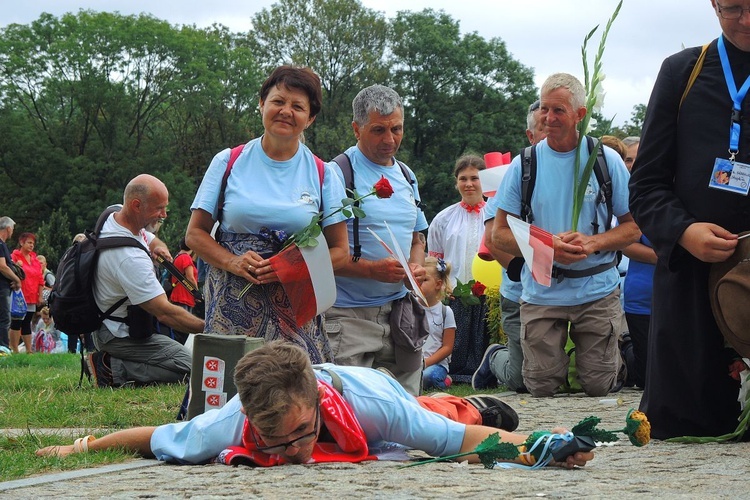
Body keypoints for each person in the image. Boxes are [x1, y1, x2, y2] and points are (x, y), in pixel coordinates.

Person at [36, 341, 595, 469]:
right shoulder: (231, 422)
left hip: (386, 396)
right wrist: (79, 445)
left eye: (300, 433)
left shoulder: (374, 403)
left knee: (448, 422)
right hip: (368, 417)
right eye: (271, 440)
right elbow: (156, 435)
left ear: (315, 402)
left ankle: (466, 398)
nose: (290, 453)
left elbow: (463, 448)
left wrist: (542, 445)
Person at [628, 1, 750, 439]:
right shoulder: (683, 72)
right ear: (714, 4)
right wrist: (683, 230)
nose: (747, 21)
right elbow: (645, 185)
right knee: (683, 437)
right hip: (691, 294)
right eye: (733, 8)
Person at [186, 65, 349, 364]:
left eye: (298, 106)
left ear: (310, 118)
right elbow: (195, 235)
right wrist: (233, 261)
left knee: (292, 393)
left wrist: (292, 266)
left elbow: (340, 252)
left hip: (296, 306)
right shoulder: (228, 161)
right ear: (262, 104)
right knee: (228, 386)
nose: (286, 111)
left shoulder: (324, 173)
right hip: (231, 302)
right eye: (278, 101)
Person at [490, 73, 639, 398]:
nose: (548, 117)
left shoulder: (605, 159)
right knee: (540, 388)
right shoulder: (524, 165)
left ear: (579, 115)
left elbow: (634, 226)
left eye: (558, 110)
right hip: (543, 292)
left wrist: (593, 243)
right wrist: (548, 246)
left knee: (600, 386)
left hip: (596, 290)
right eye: (545, 109)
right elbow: (498, 236)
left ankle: (611, 360)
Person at [325, 84, 428, 396]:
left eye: (396, 129)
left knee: (406, 406)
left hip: (400, 312)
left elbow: (417, 237)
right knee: (349, 404)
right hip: (347, 315)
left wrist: (416, 269)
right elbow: (323, 254)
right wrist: (371, 270)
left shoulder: (407, 176)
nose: (390, 140)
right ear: (356, 129)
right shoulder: (337, 173)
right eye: (378, 130)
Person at [88, 174, 204, 388]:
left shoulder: (114, 214)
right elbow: (164, 312)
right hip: (118, 335)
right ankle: (110, 367)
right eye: (159, 208)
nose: (164, 214)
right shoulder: (129, 257)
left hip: (109, 324)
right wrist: (209, 329)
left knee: (189, 363)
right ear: (136, 205)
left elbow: (149, 238)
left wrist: (158, 246)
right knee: (195, 369)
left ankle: (120, 363)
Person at [473, 100, 546, 393]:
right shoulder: (515, 176)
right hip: (520, 294)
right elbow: (494, 236)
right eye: (543, 127)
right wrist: (529, 269)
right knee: (521, 380)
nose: (552, 131)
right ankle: (496, 357)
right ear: (530, 136)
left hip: (566, 293)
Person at [427, 154, 489, 381]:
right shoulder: (443, 219)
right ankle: (454, 372)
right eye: (463, 178)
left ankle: (485, 372)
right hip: (454, 294)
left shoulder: (495, 215)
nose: (469, 184)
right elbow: (434, 261)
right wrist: (442, 288)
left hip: (489, 293)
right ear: (456, 182)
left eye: (475, 178)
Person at [420, 257, 456, 391]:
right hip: (413, 363)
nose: (419, 283)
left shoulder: (446, 312)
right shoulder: (410, 307)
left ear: (437, 284)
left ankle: (445, 380)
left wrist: (426, 363)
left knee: (428, 376)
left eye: (424, 280)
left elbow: (447, 347)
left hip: (435, 364)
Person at [9, 232, 45, 353]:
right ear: (21, 243)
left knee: (27, 322)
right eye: (29, 242)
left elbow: (40, 279)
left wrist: (40, 295)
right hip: (19, 295)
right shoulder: (15, 257)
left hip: (32, 296)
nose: (31, 245)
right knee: (16, 322)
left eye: (33, 243)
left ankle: (29, 350)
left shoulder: (35, 260)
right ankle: (14, 348)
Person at [0, 217, 22, 349]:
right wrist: (16, 279)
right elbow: (2, 266)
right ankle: (3, 348)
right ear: (8, 229)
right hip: (1, 288)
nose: (12, 232)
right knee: (4, 318)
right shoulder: (1, 245)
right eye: (12, 229)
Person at [169, 238, 198, 314]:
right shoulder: (186, 258)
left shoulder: (178, 257)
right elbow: (190, 278)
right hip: (184, 296)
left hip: (177, 294)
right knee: (185, 324)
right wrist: (196, 293)